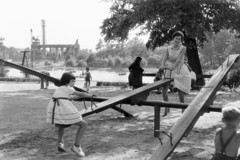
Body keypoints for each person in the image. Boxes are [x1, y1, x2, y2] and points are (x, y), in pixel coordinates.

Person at [46, 72, 94, 157]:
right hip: (63, 108)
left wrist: (82, 97)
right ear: (67, 81)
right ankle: (77, 146)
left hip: (57, 108)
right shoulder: (66, 88)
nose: (73, 83)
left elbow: (71, 97)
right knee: (83, 124)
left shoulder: (60, 88)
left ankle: (60, 143)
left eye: (74, 81)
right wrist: (89, 95)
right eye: (72, 81)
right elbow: (80, 93)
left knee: (61, 125)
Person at [159, 31, 192, 116]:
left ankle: (183, 109)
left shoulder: (183, 48)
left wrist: (173, 66)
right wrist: (162, 65)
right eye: (176, 38)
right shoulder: (168, 48)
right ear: (173, 39)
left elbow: (179, 59)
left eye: (179, 39)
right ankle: (166, 108)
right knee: (164, 88)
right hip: (169, 68)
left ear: (181, 40)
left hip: (180, 68)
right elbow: (165, 58)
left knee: (180, 89)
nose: (177, 40)